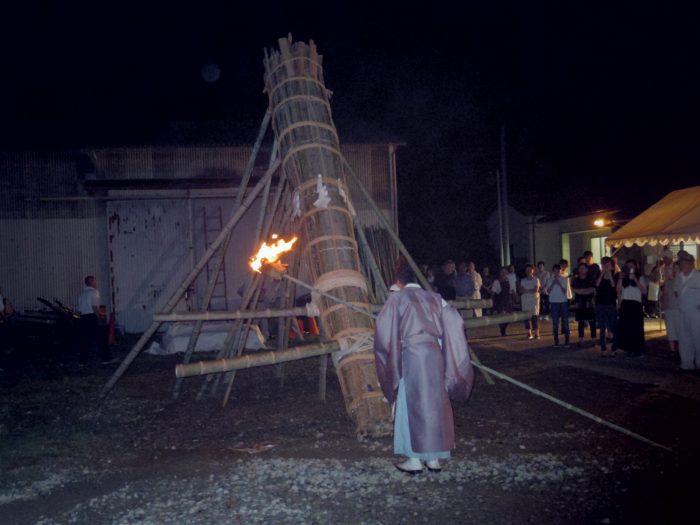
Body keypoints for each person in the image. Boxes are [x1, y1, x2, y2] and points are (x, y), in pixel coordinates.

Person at [374, 266, 474, 474]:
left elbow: (384, 329)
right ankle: (434, 459)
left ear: (399, 282)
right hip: (435, 354)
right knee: (436, 402)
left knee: (412, 405)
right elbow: (455, 319)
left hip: (411, 356)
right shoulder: (435, 298)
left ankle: (414, 459)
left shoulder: (398, 298)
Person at [672, 252, 700, 370]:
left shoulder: (698, 276)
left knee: (698, 338)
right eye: (681, 263)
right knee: (684, 338)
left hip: (696, 312)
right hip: (682, 311)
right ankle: (687, 363)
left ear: (690, 264)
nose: (681, 265)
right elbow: (676, 291)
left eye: (684, 263)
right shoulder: (679, 277)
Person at [77, 275, 114, 365]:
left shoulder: (82, 294)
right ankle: (106, 359)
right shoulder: (94, 292)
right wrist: (100, 319)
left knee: (84, 341)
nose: (96, 283)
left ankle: (82, 362)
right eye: (95, 281)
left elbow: (79, 309)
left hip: (83, 318)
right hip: (92, 317)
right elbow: (94, 307)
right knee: (101, 338)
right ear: (92, 282)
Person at [616, 259, 647, 357]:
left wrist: (635, 279)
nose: (630, 268)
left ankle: (638, 349)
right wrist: (620, 279)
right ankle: (628, 348)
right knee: (626, 327)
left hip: (635, 304)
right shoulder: (624, 277)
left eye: (632, 266)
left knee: (636, 327)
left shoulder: (640, 277)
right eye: (628, 266)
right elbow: (618, 290)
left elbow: (644, 291)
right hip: (626, 303)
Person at [595, 257, 618, 358]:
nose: (606, 266)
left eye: (608, 264)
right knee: (602, 328)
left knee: (612, 327)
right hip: (600, 304)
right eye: (604, 264)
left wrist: (609, 274)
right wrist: (602, 273)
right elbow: (597, 285)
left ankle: (613, 348)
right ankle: (603, 349)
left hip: (610, 304)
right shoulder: (599, 274)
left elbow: (614, 286)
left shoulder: (615, 274)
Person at [547, 264, 572, 348]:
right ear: (553, 271)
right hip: (554, 302)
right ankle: (556, 341)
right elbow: (548, 291)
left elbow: (566, 291)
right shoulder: (550, 279)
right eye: (555, 271)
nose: (557, 272)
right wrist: (554, 283)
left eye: (558, 270)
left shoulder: (565, 279)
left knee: (565, 322)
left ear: (560, 271)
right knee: (555, 322)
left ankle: (567, 341)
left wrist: (560, 284)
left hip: (563, 302)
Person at [571, 262, 596, 346]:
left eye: (583, 268)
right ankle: (580, 339)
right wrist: (584, 291)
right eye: (580, 268)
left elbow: (592, 289)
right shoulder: (576, 279)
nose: (581, 270)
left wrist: (581, 291)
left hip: (589, 302)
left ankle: (593, 339)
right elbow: (573, 289)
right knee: (580, 322)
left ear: (587, 269)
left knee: (592, 321)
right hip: (580, 302)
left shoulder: (591, 278)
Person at [661, 259, 681, 355]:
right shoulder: (669, 281)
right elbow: (664, 295)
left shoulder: (683, 281)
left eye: (677, 269)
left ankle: (682, 349)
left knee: (680, 330)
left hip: (679, 309)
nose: (675, 270)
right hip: (669, 308)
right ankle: (672, 350)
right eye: (674, 268)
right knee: (671, 330)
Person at [519, 264, 540, 339]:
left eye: (530, 269)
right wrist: (529, 291)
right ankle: (529, 333)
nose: (528, 271)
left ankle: (537, 333)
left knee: (534, 317)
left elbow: (536, 290)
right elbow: (521, 290)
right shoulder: (523, 280)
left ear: (533, 270)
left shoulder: (536, 280)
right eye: (527, 269)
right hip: (525, 301)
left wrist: (526, 290)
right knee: (526, 317)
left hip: (534, 301)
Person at [491, 267, 513, 336]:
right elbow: (493, 292)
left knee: (510, 317)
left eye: (505, 272)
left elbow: (512, 290)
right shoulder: (496, 281)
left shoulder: (509, 280)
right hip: (500, 301)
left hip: (508, 301)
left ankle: (502, 328)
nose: (504, 273)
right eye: (502, 272)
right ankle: (503, 330)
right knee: (502, 316)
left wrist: (515, 297)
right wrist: (492, 301)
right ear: (500, 273)